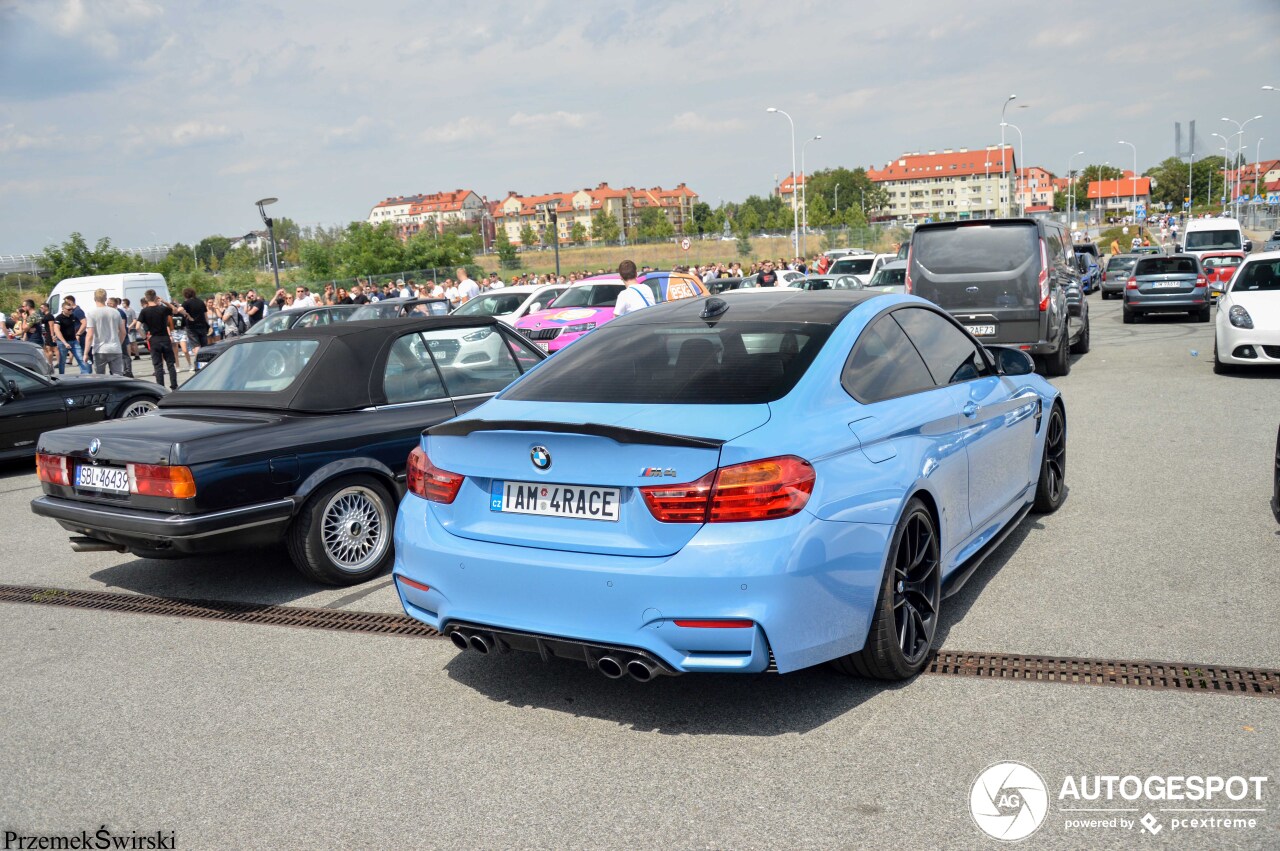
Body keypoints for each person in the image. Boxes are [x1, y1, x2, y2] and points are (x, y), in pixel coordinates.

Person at [137, 289, 178, 389]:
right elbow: (175, 310)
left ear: (146, 298)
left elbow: (138, 326)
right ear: (156, 297)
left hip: (154, 339)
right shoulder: (162, 309)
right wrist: (164, 302)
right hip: (164, 337)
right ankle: (174, 385)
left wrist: (144, 336)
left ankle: (161, 387)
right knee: (170, 364)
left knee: (158, 365)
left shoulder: (144, 311)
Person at [84, 288, 127, 376]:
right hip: (115, 348)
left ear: (94, 299)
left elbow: (90, 335)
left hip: (100, 349)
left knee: (100, 377)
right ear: (106, 299)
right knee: (118, 376)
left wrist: (85, 353)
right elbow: (123, 332)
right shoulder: (115, 312)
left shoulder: (92, 313)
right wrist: (118, 343)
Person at [51, 299, 89, 374]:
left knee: (81, 358)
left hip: (73, 341)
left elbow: (83, 322)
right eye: (68, 309)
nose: (70, 311)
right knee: (62, 361)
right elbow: (57, 330)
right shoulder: (59, 318)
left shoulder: (73, 316)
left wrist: (78, 334)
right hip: (62, 342)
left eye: (71, 309)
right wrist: (64, 343)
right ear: (63, 309)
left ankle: (85, 375)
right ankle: (62, 376)